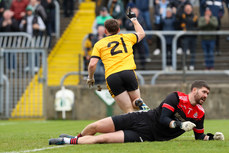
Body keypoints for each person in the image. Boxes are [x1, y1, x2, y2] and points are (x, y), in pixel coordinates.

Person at [49, 80, 225, 145]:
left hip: (145, 135)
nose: (206, 96)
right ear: (194, 90)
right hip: (140, 117)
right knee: (96, 126)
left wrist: (212, 137)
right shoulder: (176, 97)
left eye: (208, 94)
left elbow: (199, 137)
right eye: (204, 92)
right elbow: (164, 119)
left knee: (101, 139)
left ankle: (67, 141)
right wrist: (179, 124)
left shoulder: (199, 114)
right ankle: (78, 137)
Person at [86, 9, 150, 113]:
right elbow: (141, 33)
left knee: (128, 109)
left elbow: (92, 64)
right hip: (128, 72)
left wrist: (90, 77)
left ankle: (132, 128)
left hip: (112, 76)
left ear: (106, 31)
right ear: (119, 29)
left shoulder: (99, 44)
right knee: (135, 102)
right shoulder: (127, 37)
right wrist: (134, 19)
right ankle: (139, 102)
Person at [179, 3, 198, 71]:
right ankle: (184, 65)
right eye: (186, 9)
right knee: (184, 52)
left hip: (193, 37)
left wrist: (192, 30)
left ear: (191, 9)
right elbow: (180, 25)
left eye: (189, 9)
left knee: (193, 52)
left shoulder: (195, 17)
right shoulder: (182, 16)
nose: (188, 10)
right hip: (185, 37)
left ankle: (192, 65)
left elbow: (197, 27)